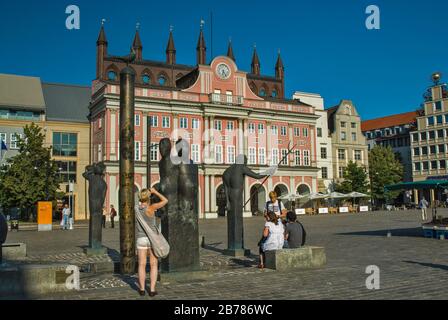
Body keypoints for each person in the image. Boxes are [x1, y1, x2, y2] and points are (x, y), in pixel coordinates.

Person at [136, 187, 168, 297]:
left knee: (141, 264)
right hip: (152, 239)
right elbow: (165, 201)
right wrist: (155, 192)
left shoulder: (136, 208)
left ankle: (141, 289)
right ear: (148, 197)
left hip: (141, 239)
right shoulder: (152, 207)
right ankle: (152, 290)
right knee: (153, 264)